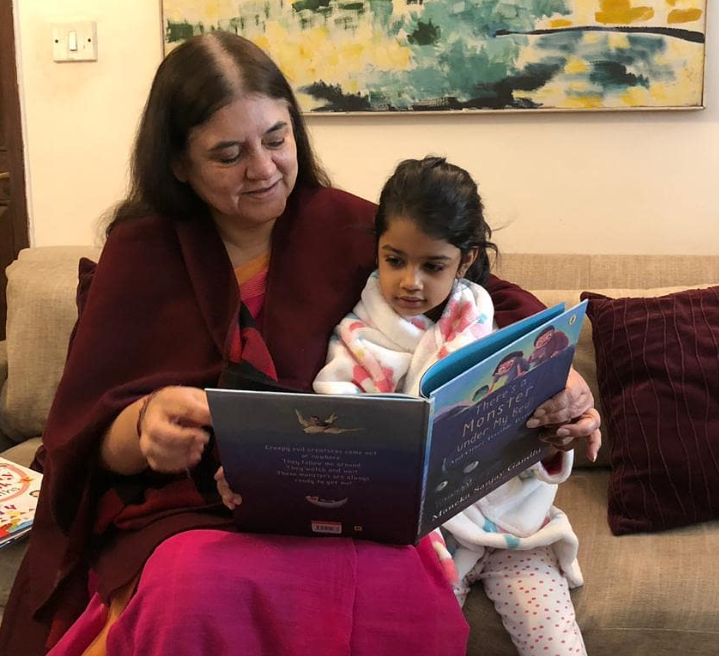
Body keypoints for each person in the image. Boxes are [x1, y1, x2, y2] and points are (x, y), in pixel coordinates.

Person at [0, 32, 600, 656]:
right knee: (195, 589)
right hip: (193, 514)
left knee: (404, 601)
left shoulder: (344, 225)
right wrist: (146, 425)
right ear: (179, 163)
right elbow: (83, 440)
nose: (262, 169)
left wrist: (560, 371)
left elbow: (483, 288)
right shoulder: (140, 253)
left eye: (276, 139)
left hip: (348, 509)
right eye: (229, 153)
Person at [301, 156, 585, 655]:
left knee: (558, 645)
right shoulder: (356, 338)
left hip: (508, 523)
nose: (411, 281)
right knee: (412, 636)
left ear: (466, 260)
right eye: (394, 260)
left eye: (433, 266)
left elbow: (533, 422)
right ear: (377, 250)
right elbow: (336, 423)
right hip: (418, 537)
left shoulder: (486, 320)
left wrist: (549, 433)